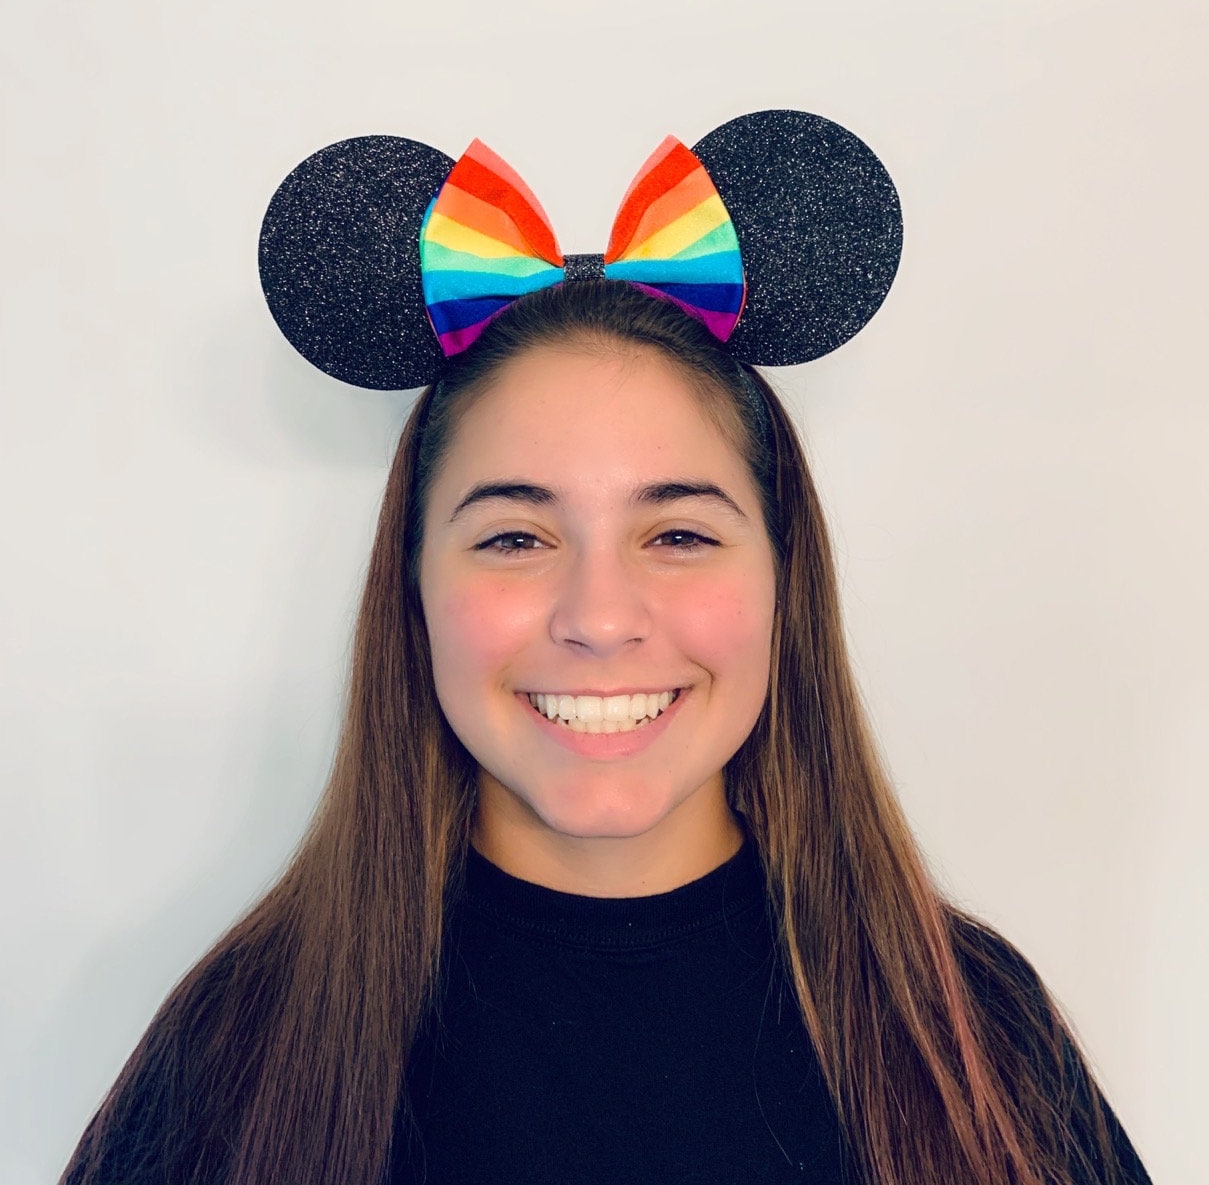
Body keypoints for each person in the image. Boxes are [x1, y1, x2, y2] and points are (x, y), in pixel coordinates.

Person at [63, 116, 1152, 1185]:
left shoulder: (967, 1031)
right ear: (413, 586)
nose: (599, 616)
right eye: (515, 538)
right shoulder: (240, 1050)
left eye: (678, 535)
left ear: (785, 581)